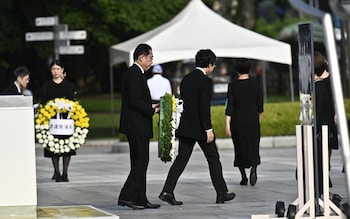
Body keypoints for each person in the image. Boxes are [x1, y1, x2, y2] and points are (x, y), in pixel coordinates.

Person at [159, 49, 235, 205]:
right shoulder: (205, 81)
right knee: (213, 159)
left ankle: (167, 191)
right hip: (200, 128)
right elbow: (203, 107)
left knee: (181, 160)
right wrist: (208, 129)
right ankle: (221, 193)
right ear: (209, 64)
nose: (213, 68)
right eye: (213, 65)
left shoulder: (186, 79)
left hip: (186, 126)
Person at [118, 43, 160, 210]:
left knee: (140, 162)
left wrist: (153, 106)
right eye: (150, 58)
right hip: (136, 125)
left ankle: (140, 198)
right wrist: (150, 109)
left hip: (137, 125)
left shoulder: (136, 73)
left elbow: (137, 99)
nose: (151, 61)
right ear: (141, 57)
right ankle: (126, 196)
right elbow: (135, 100)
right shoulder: (134, 73)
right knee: (140, 162)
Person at [225, 58, 263, 186]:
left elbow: (230, 106)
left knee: (239, 146)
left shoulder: (233, 85)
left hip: (238, 119)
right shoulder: (256, 83)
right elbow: (260, 105)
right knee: (253, 145)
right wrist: (258, 119)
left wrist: (227, 124)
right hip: (252, 118)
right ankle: (254, 167)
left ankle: (243, 176)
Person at [41, 60, 76, 182]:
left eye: (57, 69)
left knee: (66, 146)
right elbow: (43, 101)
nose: (55, 71)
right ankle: (57, 171)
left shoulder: (69, 86)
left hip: (66, 120)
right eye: (53, 69)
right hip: (52, 120)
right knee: (53, 146)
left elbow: (72, 101)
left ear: (62, 70)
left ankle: (65, 172)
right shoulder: (47, 85)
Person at [313, 51, 338, 193]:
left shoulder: (320, 85)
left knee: (324, 149)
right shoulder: (328, 81)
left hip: (325, 119)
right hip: (328, 119)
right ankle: (325, 176)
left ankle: (324, 175)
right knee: (325, 150)